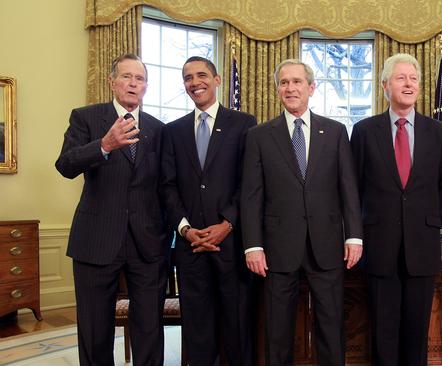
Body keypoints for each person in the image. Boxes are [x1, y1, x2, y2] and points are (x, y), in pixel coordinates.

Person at [240, 59, 363, 366]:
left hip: (327, 243)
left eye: (297, 82)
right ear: (277, 89)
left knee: (331, 323)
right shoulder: (259, 135)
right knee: (278, 329)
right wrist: (253, 245)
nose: (290, 88)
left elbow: (348, 188)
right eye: (284, 82)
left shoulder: (335, 132)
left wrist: (355, 236)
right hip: (278, 246)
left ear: (311, 87)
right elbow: (251, 196)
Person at [55, 53, 168, 366]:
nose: (133, 83)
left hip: (147, 243)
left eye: (140, 78)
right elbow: (65, 165)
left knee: (149, 328)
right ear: (111, 81)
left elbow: (166, 185)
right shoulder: (86, 117)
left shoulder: (160, 130)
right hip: (96, 240)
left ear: (146, 86)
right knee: (94, 330)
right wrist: (103, 145)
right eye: (126, 77)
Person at [350, 53, 442, 366]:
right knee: (383, 331)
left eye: (413, 79)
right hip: (379, 247)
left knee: (416, 330)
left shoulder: (438, 133)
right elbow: (354, 186)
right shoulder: (365, 131)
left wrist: (418, 220)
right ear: (385, 86)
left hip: (421, 247)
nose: (408, 84)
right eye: (401, 78)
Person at [160, 56, 257, 365]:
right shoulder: (172, 131)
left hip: (231, 245)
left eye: (201, 75)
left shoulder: (244, 124)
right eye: (188, 77)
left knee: (236, 327)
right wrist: (186, 229)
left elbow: (250, 182)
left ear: (217, 80)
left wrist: (227, 224)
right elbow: (167, 186)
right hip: (191, 248)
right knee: (198, 331)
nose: (194, 82)